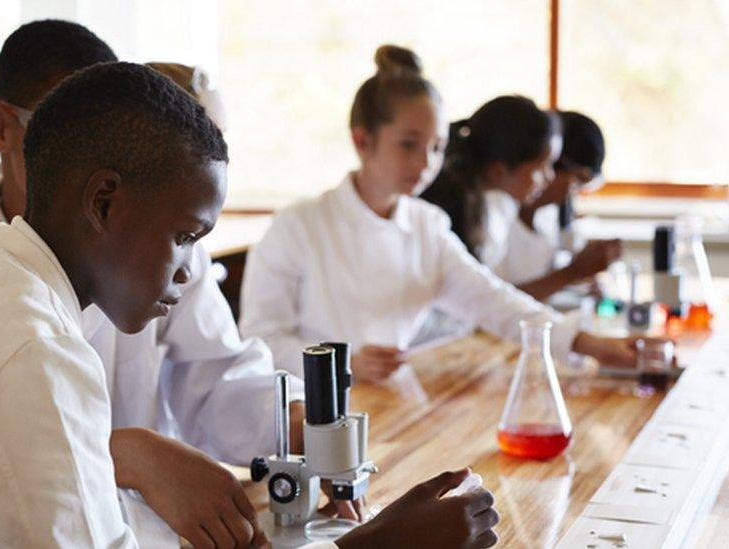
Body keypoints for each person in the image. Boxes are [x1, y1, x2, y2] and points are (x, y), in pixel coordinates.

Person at [0, 62, 499, 549]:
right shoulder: (28, 342)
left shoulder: (5, 283)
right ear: (104, 199)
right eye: (183, 236)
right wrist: (370, 548)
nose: (185, 271)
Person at [0, 21, 313, 543]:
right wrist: (123, 452)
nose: (186, 263)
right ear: (0, 127)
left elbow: (215, 377)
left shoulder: (146, 244)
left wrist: (306, 424)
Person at [240, 46, 638, 383]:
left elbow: (492, 300)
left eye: (436, 148)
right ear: (363, 140)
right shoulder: (298, 226)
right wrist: (343, 364)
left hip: (394, 403)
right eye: (409, 145)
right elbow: (260, 339)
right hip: (311, 416)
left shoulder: (426, 226)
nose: (425, 163)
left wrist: (588, 343)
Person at [421, 98, 620, 302]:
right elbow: (485, 304)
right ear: (498, 171)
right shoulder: (484, 215)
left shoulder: (494, 209)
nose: (549, 177)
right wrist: (572, 273)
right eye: (542, 167)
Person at [500, 111, 619, 298]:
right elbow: (492, 303)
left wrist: (579, 283)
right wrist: (573, 272)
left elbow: (541, 281)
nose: (573, 192)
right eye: (578, 180)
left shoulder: (546, 217)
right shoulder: (498, 218)